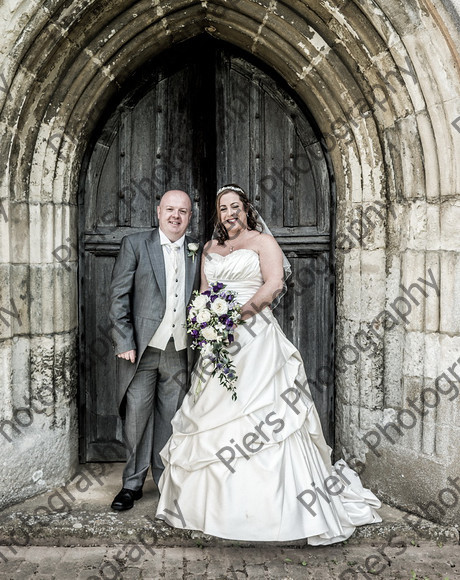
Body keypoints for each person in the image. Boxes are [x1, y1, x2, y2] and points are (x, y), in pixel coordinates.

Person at [155, 184, 381, 544]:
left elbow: (274, 284)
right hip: (219, 344)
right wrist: (207, 321)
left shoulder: (262, 242)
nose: (230, 213)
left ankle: (279, 508)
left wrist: (236, 315)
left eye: (235, 207)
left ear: (246, 210)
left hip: (257, 339)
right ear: (218, 214)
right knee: (214, 415)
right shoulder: (211, 248)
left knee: (267, 413)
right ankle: (213, 507)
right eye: (223, 208)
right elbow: (201, 292)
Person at [109, 189, 201, 511]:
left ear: (190, 216)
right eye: (170, 209)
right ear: (158, 211)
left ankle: (165, 481)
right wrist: (124, 342)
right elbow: (119, 296)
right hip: (141, 351)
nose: (176, 216)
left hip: (179, 350)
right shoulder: (135, 244)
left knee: (170, 419)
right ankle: (131, 485)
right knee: (136, 418)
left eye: (183, 211)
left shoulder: (197, 251)